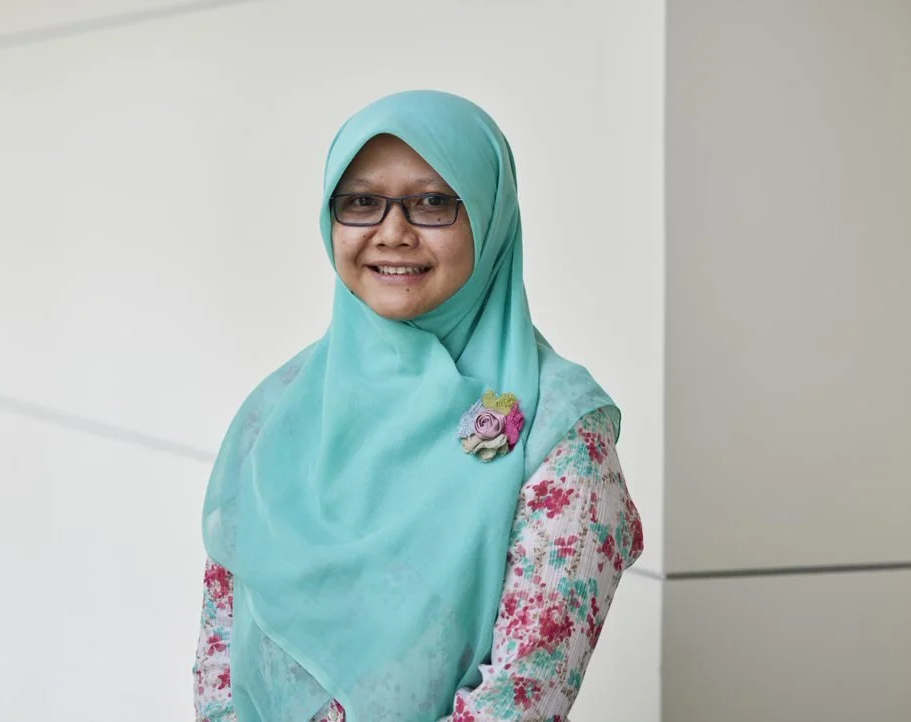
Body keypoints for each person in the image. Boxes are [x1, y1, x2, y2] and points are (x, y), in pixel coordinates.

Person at [193, 90, 643, 721]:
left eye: (433, 203)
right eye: (360, 202)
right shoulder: (282, 406)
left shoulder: (558, 429)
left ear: (489, 215)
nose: (393, 234)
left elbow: (520, 700)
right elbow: (222, 654)